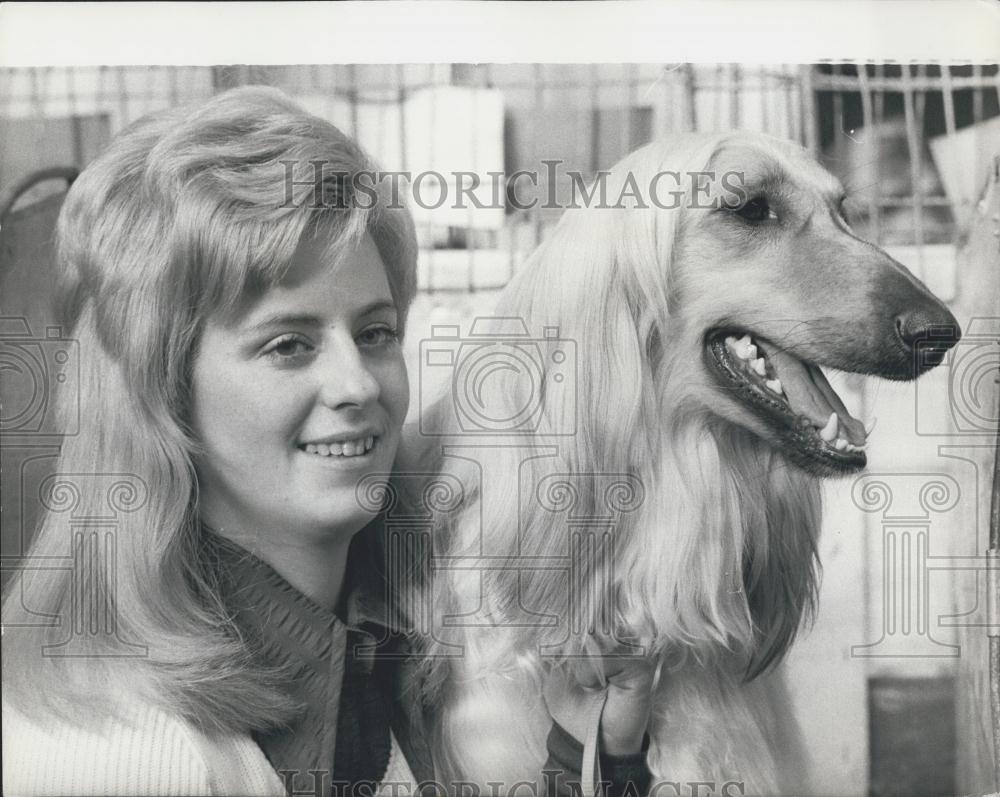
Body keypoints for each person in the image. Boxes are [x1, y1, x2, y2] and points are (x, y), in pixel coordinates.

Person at [1, 86, 653, 796]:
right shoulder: (113, 750)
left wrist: (588, 754)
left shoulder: (387, 661)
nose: (359, 383)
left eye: (375, 333)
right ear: (161, 393)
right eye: (288, 344)